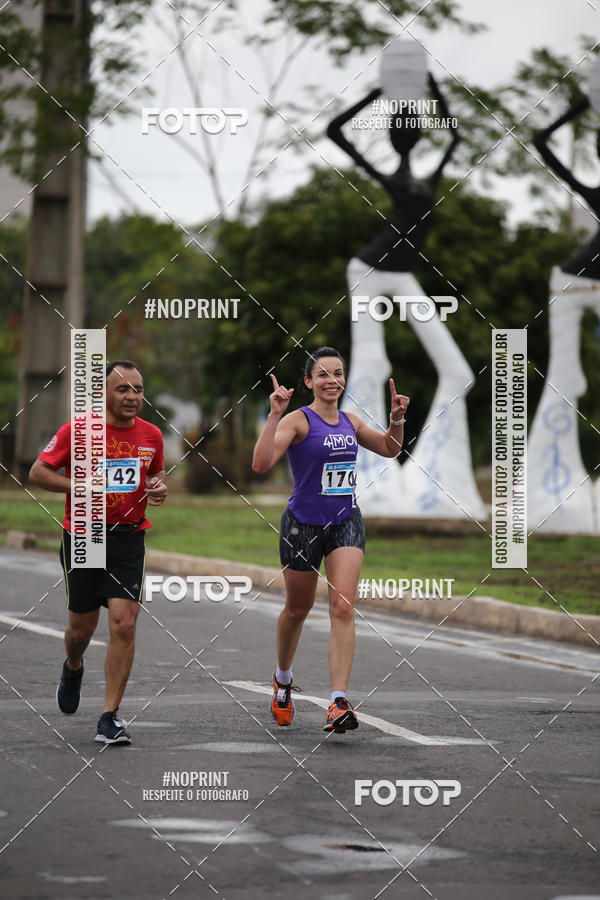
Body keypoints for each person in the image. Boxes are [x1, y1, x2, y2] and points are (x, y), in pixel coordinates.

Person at [326, 74, 484, 520]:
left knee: (458, 371)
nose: (407, 136)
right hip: (368, 271)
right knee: (371, 367)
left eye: (411, 130)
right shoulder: (393, 179)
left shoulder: (429, 176)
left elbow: (454, 135)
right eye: (401, 130)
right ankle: (365, 481)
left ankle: (432, 480)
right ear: (395, 137)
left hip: (402, 276)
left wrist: (428, 86)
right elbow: (335, 131)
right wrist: (381, 93)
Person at [252, 347, 409, 732]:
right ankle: (283, 679)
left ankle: (338, 701)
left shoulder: (350, 422)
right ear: (308, 382)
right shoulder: (298, 421)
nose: (331, 380)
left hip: (345, 522)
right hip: (302, 525)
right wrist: (274, 415)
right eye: (322, 374)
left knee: (342, 607)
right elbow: (260, 464)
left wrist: (396, 420)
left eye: (338, 373)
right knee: (297, 609)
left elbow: (390, 448)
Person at [29, 360, 167, 745]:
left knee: (124, 623)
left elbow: (155, 473)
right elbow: (37, 473)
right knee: (80, 630)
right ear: (104, 393)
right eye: (123, 389)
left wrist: (157, 488)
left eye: (138, 390)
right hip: (85, 535)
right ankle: (73, 667)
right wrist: (80, 485)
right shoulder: (78, 430)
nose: (132, 397)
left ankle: (109, 717)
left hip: (128, 538)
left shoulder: (152, 435)